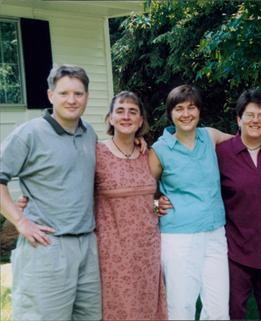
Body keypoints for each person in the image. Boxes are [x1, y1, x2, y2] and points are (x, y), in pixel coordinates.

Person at [151, 85, 261, 320]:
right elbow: (144, 189)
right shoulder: (159, 149)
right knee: (181, 306)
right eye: (179, 108)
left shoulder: (209, 136)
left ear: (199, 111)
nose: (186, 114)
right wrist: (156, 205)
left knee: (217, 309)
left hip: (215, 234)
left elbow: (244, 138)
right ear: (170, 113)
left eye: (191, 107)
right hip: (180, 236)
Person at [0, 64, 101, 320]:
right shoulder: (30, 133)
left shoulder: (89, 133)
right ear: (50, 95)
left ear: (86, 96)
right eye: (64, 93)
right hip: (47, 246)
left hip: (87, 246)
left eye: (78, 93)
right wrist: (20, 221)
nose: (72, 100)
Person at [94, 91, 167, 320]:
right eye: (120, 111)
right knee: (118, 309)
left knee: (148, 309)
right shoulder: (97, 154)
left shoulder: (149, 155)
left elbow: (154, 195)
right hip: (112, 251)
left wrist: (159, 205)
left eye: (132, 111)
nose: (126, 116)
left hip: (148, 249)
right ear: (110, 119)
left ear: (140, 121)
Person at [216, 89, 261, 319]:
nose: (256, 120)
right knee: (234, 312)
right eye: (249, 115)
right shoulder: (221, 153)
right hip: (235, 250)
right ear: (238, 119)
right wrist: (158, 204)